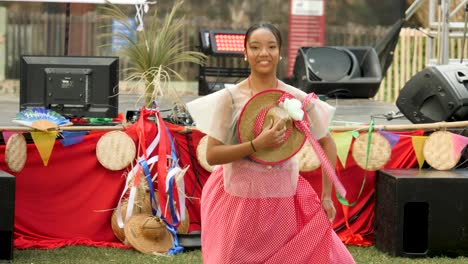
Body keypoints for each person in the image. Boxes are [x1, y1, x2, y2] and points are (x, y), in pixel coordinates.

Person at [187, 22, 355, 264]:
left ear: (281, 52)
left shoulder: (295, 98)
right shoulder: (230, 99)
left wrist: (326, 196)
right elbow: (212, 154)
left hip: (283, 199)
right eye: (255, 47)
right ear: (245, 53)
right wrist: (256, 145)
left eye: (271, 46)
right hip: (237, 199)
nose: (263, 53)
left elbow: (326, 142)